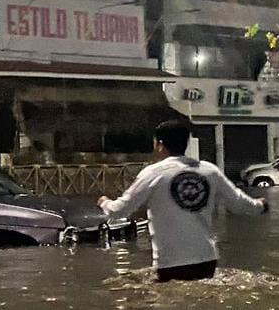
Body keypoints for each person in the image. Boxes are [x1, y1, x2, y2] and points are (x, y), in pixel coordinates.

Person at [98, 119, 267, 282]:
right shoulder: (209, 170)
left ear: (159, 144)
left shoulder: (153, 173)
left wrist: (104, 202)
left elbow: (119, 210)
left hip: (171, 264)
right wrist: (260, 205)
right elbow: (238, 202)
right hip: (207, 261)